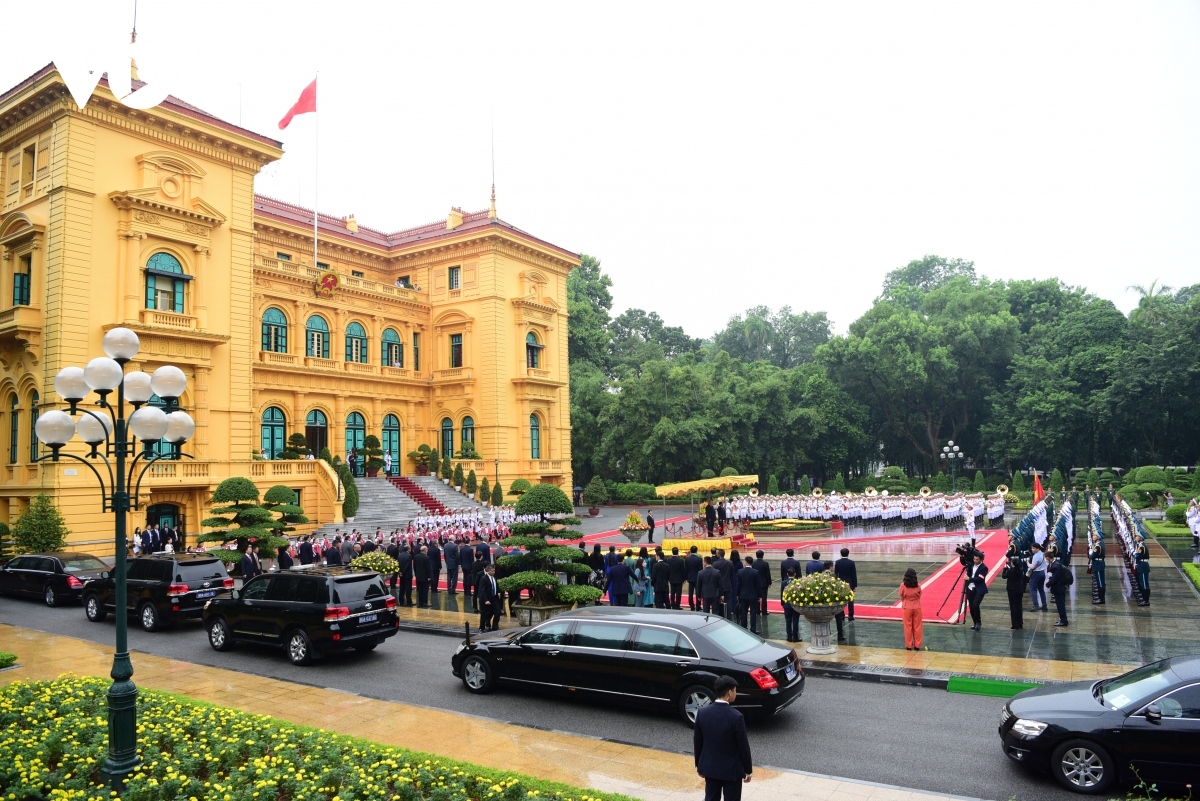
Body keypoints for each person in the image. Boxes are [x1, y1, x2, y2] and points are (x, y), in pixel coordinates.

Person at [693, 675, 753, 801]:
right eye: (735, 691)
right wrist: (748, 770)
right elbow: (743, 746)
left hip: (710, 768)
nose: (735, 693)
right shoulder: (736, 717)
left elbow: (698, 742)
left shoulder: (702, 713)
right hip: (732, 771)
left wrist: (699, 765)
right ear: (729, 693)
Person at [1001, 543, 1026, 629]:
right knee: (1019, 606)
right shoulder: (1021, 569)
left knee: (1013, 607)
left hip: (1012, 590)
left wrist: (1004, 570)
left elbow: (1004, 576)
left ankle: (1015, 623)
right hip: (1019, 589)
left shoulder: (1011, 571)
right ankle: (1020, 623)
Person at [899, 568, 923, 650]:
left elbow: (901, 595)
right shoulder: (918, 586)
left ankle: (909, 645)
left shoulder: (903, 585)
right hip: (917, 606)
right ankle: (917, 645)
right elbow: (919, 595)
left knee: (908, 627)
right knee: (917, 626)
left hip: (906, 606)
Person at [965, 552, 988, 631]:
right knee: (971, 607)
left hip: (979, 589)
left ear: (981, 560)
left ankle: (978, 622)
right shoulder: (971, 565)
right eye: (974, 559)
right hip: (970, 588)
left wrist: (969, 579)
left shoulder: (984, 568)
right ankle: (975, 622)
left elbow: (980, 579)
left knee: (975, 605)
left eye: (977, 559)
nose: (975, 560)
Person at [736, 557, 760, 633]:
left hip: (743, 595)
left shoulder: (740, 571)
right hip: (753, 595)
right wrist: (759, 596)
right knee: (753, 613)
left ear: (745, 562)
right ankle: (753, 629)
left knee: (744, 612)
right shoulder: (756, 572)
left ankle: (744, 627)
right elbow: (758, 585)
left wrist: (737, 594)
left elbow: (738, 584)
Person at [833, 548, 857, 621]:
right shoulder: (851, 562)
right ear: (848, 553)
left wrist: (835, 584)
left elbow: (836, 574)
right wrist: (855, 585)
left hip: (841, 583)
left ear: (841, 554)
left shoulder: (837, 562)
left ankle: (842, 615)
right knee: (850, 600)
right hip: (850, 582)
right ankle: (850, 615)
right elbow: (854, 575)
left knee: (841, 599)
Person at [477, 563, 501, 631]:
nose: (494, 572)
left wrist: (498, 592)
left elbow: (496, 585)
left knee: (497, 612)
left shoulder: (494, 577)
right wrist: (485, 600)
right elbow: (482, 590)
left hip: (494, 598)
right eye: (492, 571)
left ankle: (495, 626)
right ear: (488, 571)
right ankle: (482, 627)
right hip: (487, 599)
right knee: (485, 614)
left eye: (494, 570)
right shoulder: (483, 579)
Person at [1047, 557, 1070, 626]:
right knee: (1060, 604)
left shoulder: (1055, 566)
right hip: (1061, 587)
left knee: (1060, 605)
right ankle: (1062, 619)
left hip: (1059, 588)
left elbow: (1055, 578)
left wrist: (1048, 584)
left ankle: (1063, 620)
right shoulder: (1056, 564)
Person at [780, 567, 800, 642]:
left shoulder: (783, 583)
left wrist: (782, 603)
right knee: (795, 620)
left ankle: (789, 636)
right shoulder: (798, 582)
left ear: (787, 574)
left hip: (787, 604)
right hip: (795, 604)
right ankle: (795, 637)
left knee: (788, 621)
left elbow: (782, 593)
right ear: (795, 574)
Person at [1027, 542, 1047, 612]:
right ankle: (1044, 605)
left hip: (1036, 573)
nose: (1032, 549)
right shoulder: (1042, 554)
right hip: (1042, 573)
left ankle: (1036, 605)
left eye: (1034, 548)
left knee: (1033, 589)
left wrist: (1027, 563)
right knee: (1041, 589)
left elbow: (1033, 566)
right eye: (1032, 548)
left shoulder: (1036, 556)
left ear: (1037, 548)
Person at [753, 550, 772, 617]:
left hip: (755, 583)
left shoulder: (753, 563)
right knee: (764, 598)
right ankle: (764, 611)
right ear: (763, 555)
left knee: (756, 597)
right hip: (764, 583)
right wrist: (769, 582)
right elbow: (767, 574)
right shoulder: (765, 563)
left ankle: (757, 610)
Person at [685, 545, 704, 610]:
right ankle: (698, 606)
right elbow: (701, 569)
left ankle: (691, 605)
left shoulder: (687, 559)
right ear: (696, 550)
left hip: (690, 577)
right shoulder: (699, 559)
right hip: (697, 578)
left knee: (690, 593)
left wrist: (686, 577)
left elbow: (686, 569)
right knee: (698, 592)